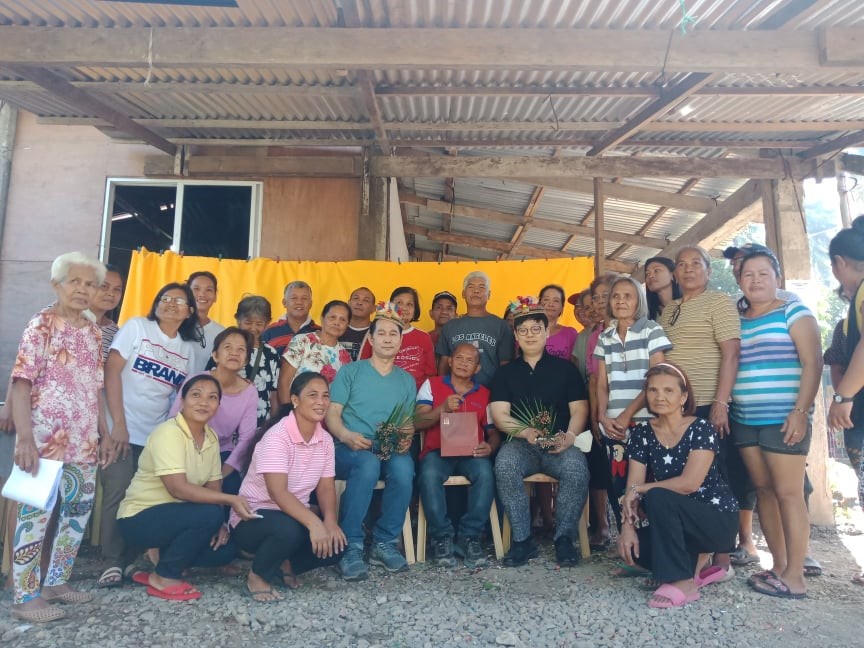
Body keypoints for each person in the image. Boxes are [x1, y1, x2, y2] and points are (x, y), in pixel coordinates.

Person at [8, 252, 113, 623]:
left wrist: (102, 432)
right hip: (43, 440)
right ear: (58, 285)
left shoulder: (93, 332)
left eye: (90, 284)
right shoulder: (42, 324)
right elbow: (22, 383)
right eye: (76, 282)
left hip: (84, 441)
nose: (84, 290)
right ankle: (24, 596)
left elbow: (95, 389)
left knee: (76, 514)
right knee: (34, 515)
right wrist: (24, 438)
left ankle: (56, 582)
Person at [731, 248, 821, 600]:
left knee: (788, 493)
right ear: (739, 280)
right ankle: (780, 565)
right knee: (764, 492)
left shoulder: (793, 311)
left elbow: (812, 363)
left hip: (784, 419)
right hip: (745, 419)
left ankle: (796, 576)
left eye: (763, 273)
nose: (755, 280)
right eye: (748, 274)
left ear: (777, 278)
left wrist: (800, 411)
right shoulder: (736, 318)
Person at [117, 374, 256, 601]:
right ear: (182, 400)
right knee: (209, 513)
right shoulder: (168, 432)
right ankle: (164, 576)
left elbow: (214, 487)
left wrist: (221, 523)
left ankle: (161, 558)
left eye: (212, 397)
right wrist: (231, 501)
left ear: (218, 406)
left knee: (224, 551)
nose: (204, 402)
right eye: (196, 395)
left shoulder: (210, 437)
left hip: (178, 519)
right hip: (140, 518)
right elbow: (177, 489)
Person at [98, 282, 200, 588]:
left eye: (178, 301)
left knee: (148, 498)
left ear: (190, 311)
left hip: (156, 437)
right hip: (121, 426)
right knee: (117, 491)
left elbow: (178, 399)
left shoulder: (188, 349)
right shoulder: (137, 327)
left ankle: (134, 559)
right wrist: (118, 423)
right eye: (164, 298)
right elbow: (111, 372)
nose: (170, 304)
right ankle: (111, 561)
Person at [618, 363, 738, 608]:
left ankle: (683, 581)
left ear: (683, 396)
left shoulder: (701, 428)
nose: (659, 396)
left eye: (668, 391)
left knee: (657, 496)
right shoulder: (642, 434)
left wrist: (641, 490)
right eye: (652, 390)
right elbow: (632, 486)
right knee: (636, 554)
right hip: (678, 523)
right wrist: (627, 528)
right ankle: (695, 567)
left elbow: (689, 484)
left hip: (715, 519)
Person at [657, 246, 740, 573]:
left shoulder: (719, 301)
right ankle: (695, 551)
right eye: (682, 265)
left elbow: (731, 354)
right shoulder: (670, 310)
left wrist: (721, 402)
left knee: (717, 478)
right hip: (678, 409)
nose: (688, 269)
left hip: (709, 403)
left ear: (708, 270)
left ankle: (722, 557)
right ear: (675, 274)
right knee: (685, 477)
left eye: (696, 264)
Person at [491, 299, 590, 568]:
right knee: (505, 463)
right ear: (515, 335)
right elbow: (500, 415)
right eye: (523, 331)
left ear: (547, 333)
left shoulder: (566, 370)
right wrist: (524, 432)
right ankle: (523, 541)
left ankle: (564, 539)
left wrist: (569, 437)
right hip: (521, 445)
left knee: (576, 468)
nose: (530, 335)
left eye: (536, 329)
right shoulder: (505, 373)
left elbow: (580, 409)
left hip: (559, 443)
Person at [232, 372, 345, 602]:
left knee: (337, 545)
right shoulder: (277, 437)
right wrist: (314, 523)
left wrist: (330, 522)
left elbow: (325, 487)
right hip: (252, 517)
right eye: (312, 395)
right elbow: (278, 492)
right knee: (289, 531)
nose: (321, 401)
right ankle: (257, 576)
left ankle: (285, 563)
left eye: (325, 396)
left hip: (292, 515)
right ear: (295, 400)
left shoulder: (324, 440)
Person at [325, 303, 417, 581]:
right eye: (382, 333)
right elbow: (332, 415)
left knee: (404, 468)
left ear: (401, 340)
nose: (388, 338)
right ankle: (350, 545)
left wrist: (406, 434)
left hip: (387, 449)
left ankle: (384, 542)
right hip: (350, 447)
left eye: (394, 334)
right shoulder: (350, 372)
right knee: (366, 465)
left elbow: (406, 422)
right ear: (371, 338)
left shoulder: (407, 380)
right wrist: (345, 435)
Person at [594, 276, 671, 527]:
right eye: (615, 296)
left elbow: (656, 379)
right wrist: (602, 416)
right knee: (619, 487)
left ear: (639, 300)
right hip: (614, 426)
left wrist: (628, 414)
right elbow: (602, 383)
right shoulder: (605, 337)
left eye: (628, 296)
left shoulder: (652, 330)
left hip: (647, 422)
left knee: (648, 486)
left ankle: (652, 548)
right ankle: (630, 549)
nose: (620, 301)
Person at [415, 343, 499, 568]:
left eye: (469, 360)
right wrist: (441, 408)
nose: (463, 363)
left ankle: (469, 537)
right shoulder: (431, 385)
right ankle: (441, 537)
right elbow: (417, 422)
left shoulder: (485, 394)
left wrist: (490, 446)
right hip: (437, 452)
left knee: (485, 472)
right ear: (450, 361)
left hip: (471, 454)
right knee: (429, 474)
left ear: (477, 368)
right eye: (458, 358)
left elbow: (493, 432)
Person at [172, 327, 258, 497]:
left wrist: (219, 475)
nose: (234, 353)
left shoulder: (250, 392)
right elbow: (173, 419)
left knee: (232, 487)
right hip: (187, 448)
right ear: (215, 355)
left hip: (221, 453)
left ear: (246, 360)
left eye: (241, 349)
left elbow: (246, 439)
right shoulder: (196, 380)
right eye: (228, 347)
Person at [585, 273, 620, 551]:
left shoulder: (640, 329)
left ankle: (634, 534)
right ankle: (604, 527)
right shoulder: (594, 337)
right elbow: (594, 379)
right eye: (595, 297)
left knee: (627, 475)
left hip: (630, 415)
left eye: (604, 295)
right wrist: (596, 417)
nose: (599, 302)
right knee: (600, 471)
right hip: (601, 415)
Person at [436, 271, 514, 387]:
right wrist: (441, 390)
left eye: (481, 287)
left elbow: (506, 365)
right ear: (463, 293)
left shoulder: (501, 326)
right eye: (471, 286)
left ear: (489, 294)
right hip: (454, 395)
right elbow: (444, 363)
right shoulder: (450, 326)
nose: (476, 291)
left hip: (490, 394)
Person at [361, 287, 436, 389]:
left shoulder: (424, 337)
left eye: (409, 304)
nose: (404, 308)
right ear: (390, 306)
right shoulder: (376, 333)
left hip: (416, 397)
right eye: (399, 303)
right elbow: (363, 366)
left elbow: (430, 374)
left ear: (415, 310)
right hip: (380, 391)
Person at [280, 300, 353, 400]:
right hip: (296, 410)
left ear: (347, 325)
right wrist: (286, 410)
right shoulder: (302, 341)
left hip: (327, 413)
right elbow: (284, 381)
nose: (337, 323)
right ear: (322, 319)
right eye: (332, 317)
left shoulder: (346, 358)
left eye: (343, 320)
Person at [233, 295, 281, 425]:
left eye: (259, 323)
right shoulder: (226, 347)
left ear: (267, 324)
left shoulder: (271, 353)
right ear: (238, 320)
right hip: (229, 422)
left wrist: (273, 425)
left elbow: (274, 394)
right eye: (248, 322)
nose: (253, 328)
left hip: (261, 423)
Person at [261, 280, 320, 356]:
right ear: (284, 302)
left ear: (311, 304)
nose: (299, 302)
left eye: (304, 298)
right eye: (294, 298)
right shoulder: (268, 332)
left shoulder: (320, 332)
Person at [187, 271, 226, 372]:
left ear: (215, 296)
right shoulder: (175, 325)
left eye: (209, 290)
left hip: (201, 387)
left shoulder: (222, 334)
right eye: (196, 289)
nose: (202, 294)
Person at [90, 264, 125, 362]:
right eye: (104, 286)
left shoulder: (115, 332)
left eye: (117, 289)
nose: (111, 293)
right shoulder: (61, 316)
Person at [540, 284, 578, 360]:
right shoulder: (527, 332)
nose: (550, 304)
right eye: (546, 300)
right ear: (538, 304)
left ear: (562, 307)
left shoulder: (570, 333)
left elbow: (574, 365)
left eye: (556, 301)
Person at [340, 287, 376, 361]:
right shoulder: (337, 328)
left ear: (373, 308)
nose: (359, 303)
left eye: (366, 300)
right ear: (348, 303)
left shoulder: (378, 332)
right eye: (356, 298)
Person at [644, 256, 681, 322]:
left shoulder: (689, 305)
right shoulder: (647, 314)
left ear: (672, 275)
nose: (650, 276)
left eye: (656, 270)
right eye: (647, 273)